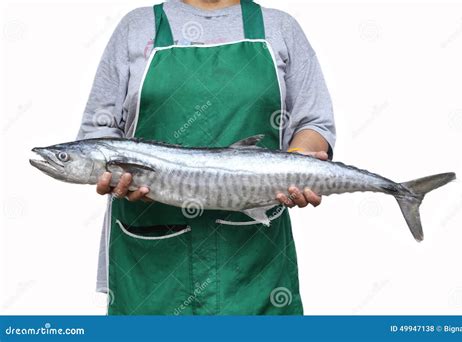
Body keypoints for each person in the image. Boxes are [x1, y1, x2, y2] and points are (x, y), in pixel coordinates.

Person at [77, 0, 335, 315]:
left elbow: (313, 122)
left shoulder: (280, 28)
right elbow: (97, 131)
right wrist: (116, 176)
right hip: (153, 265)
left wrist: (295, 167)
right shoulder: (137, 27)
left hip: (254, 263)